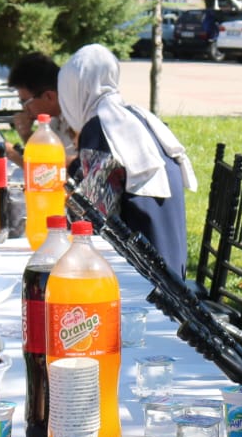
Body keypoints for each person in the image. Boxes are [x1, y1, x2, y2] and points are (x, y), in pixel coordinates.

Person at [58, 43, 197, 277]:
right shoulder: (135, 116)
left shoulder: (99, 129)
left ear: (73, 91)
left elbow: (89, 219)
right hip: (171, 263)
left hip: (146, 274)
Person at [7, 51, 76, 167]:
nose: (24, 108)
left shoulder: (77, 119)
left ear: (49, 97)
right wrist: (27, 135)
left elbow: (71, 169)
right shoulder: (54, 120)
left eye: (25, 101)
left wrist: (13, 155)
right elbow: (44, 156)